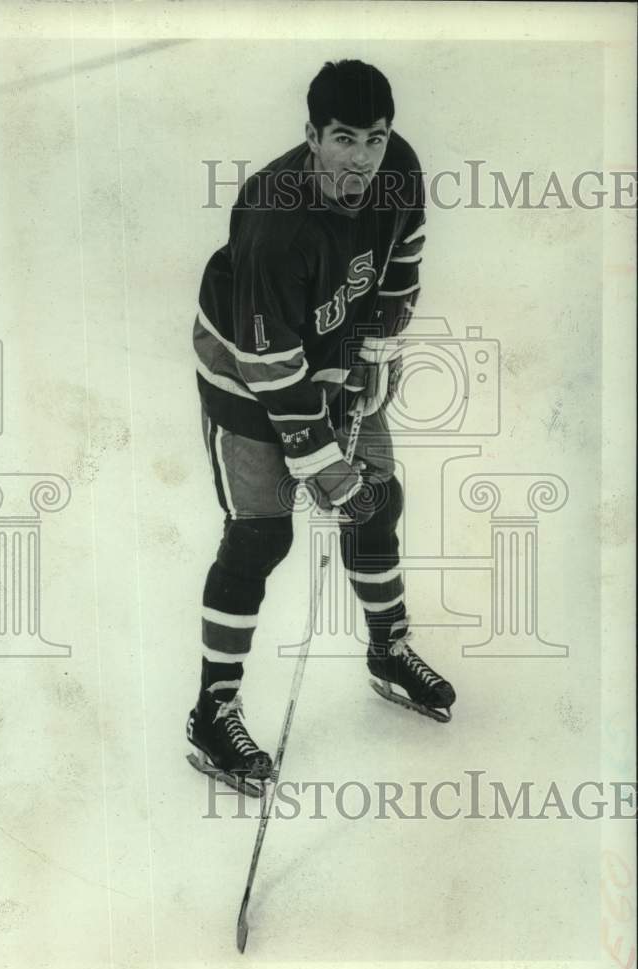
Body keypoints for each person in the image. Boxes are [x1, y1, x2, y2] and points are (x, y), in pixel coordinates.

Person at [187, 59, 456, 794]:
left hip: (334, 351)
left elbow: (402, 259)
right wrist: (323, 466)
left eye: (373, 137)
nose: (361, 157)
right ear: (311, 135)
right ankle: (213, 712)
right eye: (343, 139)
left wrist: (373, 351)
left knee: (378, 500)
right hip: (246, 370)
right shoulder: (276, 218)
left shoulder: (396, 168)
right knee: (261, 534)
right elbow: (270, 364)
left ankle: (387, 651)